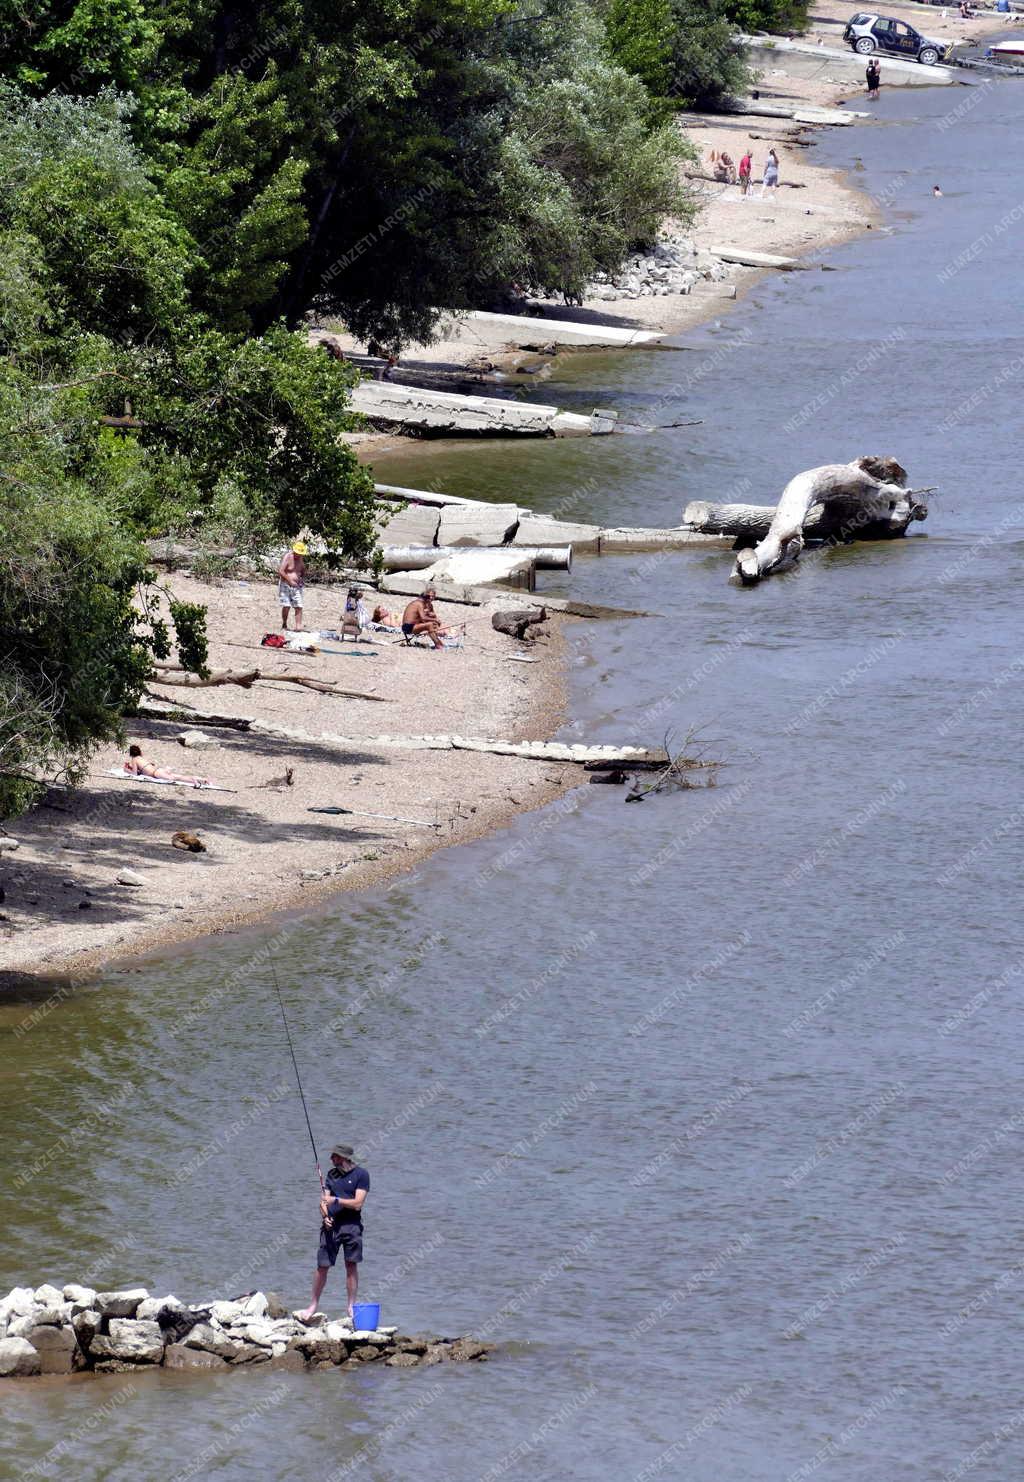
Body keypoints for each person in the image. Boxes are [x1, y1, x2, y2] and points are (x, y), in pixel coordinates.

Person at [300, 1144, 369, 1322]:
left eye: (335, 1156)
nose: (331, 1159)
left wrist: (335, 1200)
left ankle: (351, 1306)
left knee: (351, 1266)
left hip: (352, 1226)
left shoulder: (361, 1175)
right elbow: (324, 1202)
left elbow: (358, 1203)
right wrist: (325, 1216)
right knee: (322, 1266)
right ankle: (313, 1304)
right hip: (331, 1227)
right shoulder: (331, 1175)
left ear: (344, 1157)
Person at [123, 744, 211, 787]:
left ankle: (194, 781)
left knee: (174, 779)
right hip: (159, 770)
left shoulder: (134, 759)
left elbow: (134, 774)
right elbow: (142, 769)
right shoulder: (141, 758)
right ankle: (203, 779)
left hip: (156, 773)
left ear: (131, 753)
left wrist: (126, 769)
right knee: (179, 777)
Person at [278, 540, 307, 631]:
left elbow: (302, 570)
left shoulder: (301, 558)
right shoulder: (288, 556)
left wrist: (301, 579)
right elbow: (281, 571)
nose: (298, 555)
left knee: (298, 605)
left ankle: (298, 626)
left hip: (297, 586)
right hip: (285, 584)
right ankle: (284, 623)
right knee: (286, 605)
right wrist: (290, 580)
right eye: (297, 553)